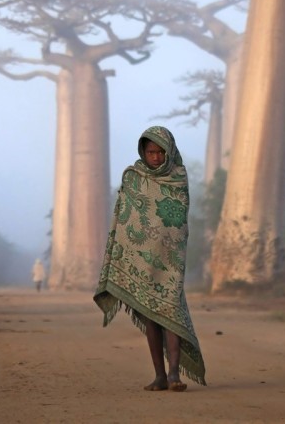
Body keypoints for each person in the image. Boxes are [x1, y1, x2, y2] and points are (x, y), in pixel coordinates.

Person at [94, 126, 206, 391]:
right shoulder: (133, 177)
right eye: (150, 152)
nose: (155, 157)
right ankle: (159, 375)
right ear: (142, 152)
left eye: (160, 152)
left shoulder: (178, 176)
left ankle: (174, 374)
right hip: (141, 261)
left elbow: (178, 219)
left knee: (172, 312)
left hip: (170, 259)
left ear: (169, 152)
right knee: (151, 319)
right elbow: (123, 218)